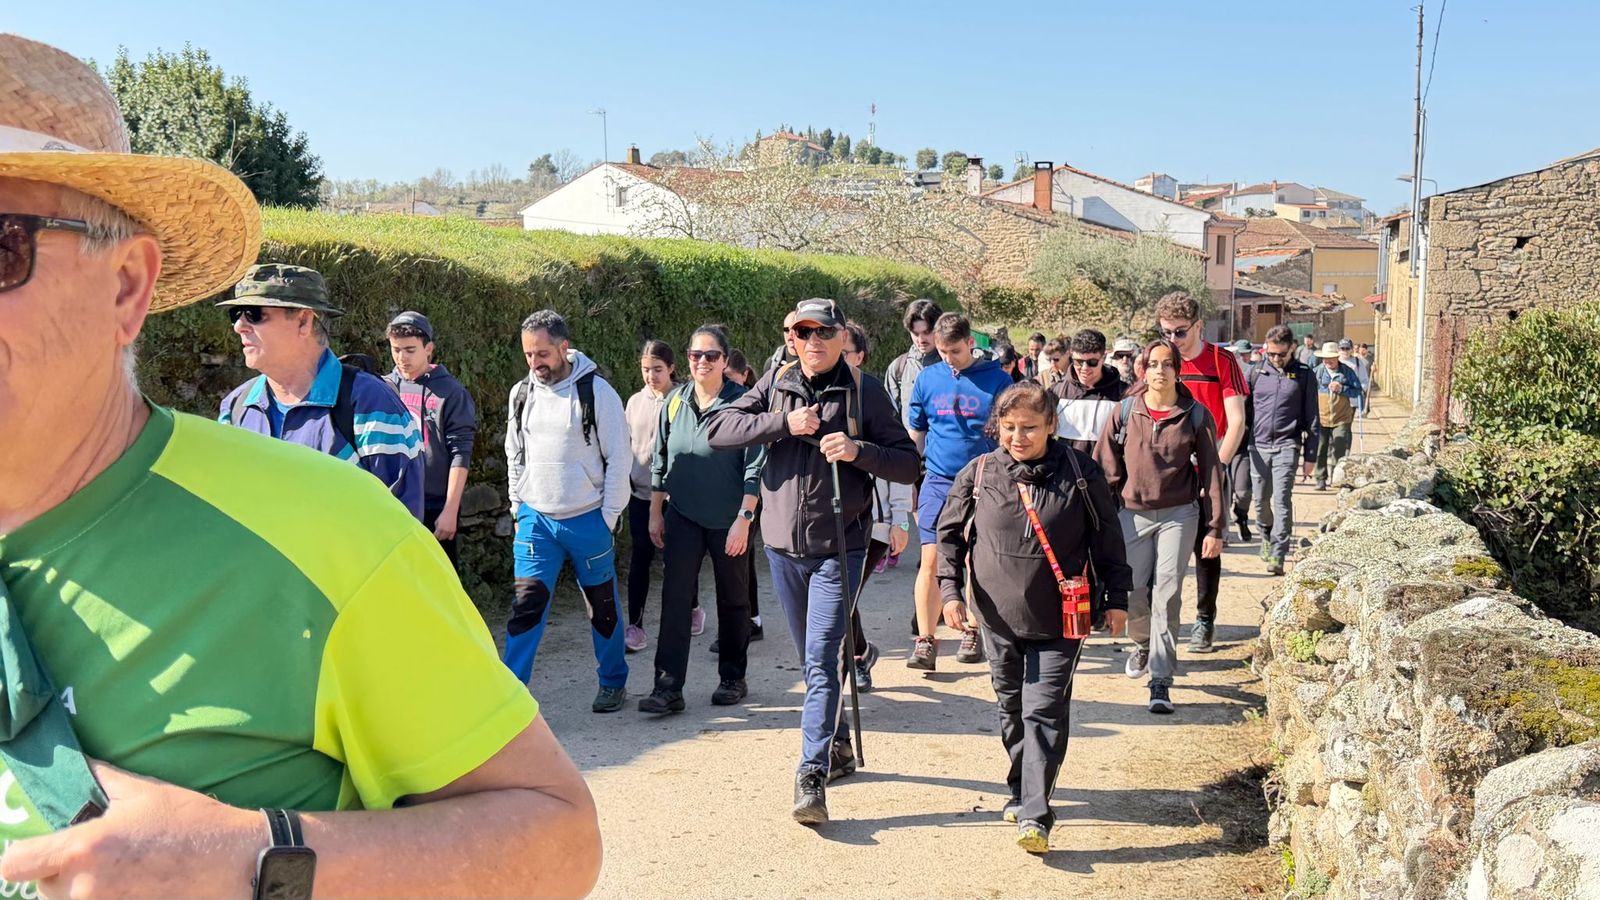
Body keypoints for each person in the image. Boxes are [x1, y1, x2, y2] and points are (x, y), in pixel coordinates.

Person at [0, 34, 599, 898]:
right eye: (239, 315)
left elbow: (558, 839)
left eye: (0, 247)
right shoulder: (242, 410)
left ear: (126, 287)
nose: (242, 329)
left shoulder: (336, 523)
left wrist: (252, 860)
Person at [706, 298, 920, 824]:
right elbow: (717, 430)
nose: (814, 341)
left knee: (823, 661)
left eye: (824, 331)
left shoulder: (864, 391)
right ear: (790, 337)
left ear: (842, 335)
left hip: (840, 548)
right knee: (813, 662)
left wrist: (858, 451)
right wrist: (782, 422)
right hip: (781, 547)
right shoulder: (775, 385)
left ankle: (811, 774)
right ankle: (839, 744)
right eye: (804, 332)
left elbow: (909, 464)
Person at [936, 383, 1132, 853]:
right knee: (1011, 708)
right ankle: (1021, 785)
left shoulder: (1081, 475)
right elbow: (948, 537)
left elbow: (1108, 540)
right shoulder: (980, 473)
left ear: (1051, 426)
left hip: (1061, 617)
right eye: (1008, 428)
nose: (1018, 437)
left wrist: (1118, 597)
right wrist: (949, 593)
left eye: (1029, 428)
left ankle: (1036, 813)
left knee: (1042, 709)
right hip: (996, 618)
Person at [219, 264, 425, 521]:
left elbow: (402, 529)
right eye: (236, 313)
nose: (239, 325)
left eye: (254, 313)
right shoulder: (235, 407)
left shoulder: (370, 404)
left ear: (304, 321)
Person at [504, 309, 632, 713]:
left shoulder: (598, 393)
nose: (534, 362)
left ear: (563, 347)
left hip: (588, 519)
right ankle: (510, 694)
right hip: (536, 521)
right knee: (525, 608)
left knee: (603, 610)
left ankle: (613, 681)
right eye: (528, 354)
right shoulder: (521, 393)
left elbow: (620, 459)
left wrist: (608, 518)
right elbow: (514, 452)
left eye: (542, 353)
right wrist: (518, 504)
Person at [1094, 339, 1225, 714]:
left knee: (1167, 591)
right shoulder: (1124, 412)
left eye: (1168, 364)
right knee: (1133, 591)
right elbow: (1105, 467)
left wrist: (1215, 527)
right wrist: (1101, 519)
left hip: (1179, 514)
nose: (1160, 371)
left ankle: (1160, 680)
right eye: (1153, 364)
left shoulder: (1195, 415)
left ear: (1177, 370)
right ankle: (1141, 644)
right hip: (1131, 514)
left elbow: (1213, 473)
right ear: (1142, 370)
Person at [640, 326, 765, 713]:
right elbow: (661, 460)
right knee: (675, 598)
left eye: (711, 355)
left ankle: (732, 677)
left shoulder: (743, 404)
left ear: (726, 361)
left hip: (730, 520)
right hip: (683, 516)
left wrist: (744, 518)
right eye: (695, 355)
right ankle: (668, 687)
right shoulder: (674, 401)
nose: (702, 362)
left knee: (733, 599)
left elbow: (755, 465)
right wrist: (655, 512)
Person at [906, 313, 1016, 671]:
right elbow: (917, 433)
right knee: (931, 559)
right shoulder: (927, 379)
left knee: (975, 560)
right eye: (942, 352)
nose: (948, 359)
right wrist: (911, 481)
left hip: (984, 480)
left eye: (954, 350)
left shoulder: (998, 380)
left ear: (971, 343)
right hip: (937, 481)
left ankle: (972, 629)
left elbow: (1008, 436)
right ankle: (926, 640)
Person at [1155, 291, 1248, 654]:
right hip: (1167, 471)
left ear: (1197, 326)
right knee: (1163, 551)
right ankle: (1160, 624)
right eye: (1166, 333)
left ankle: (1205, 621)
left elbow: (1236, 420)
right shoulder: (1160, 361)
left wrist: (1217, 468)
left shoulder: (1222, 361)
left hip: (1210, 466)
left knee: (1207, 548)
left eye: (1180, 332)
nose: (1173, 341)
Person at [844, 320, 913, 690]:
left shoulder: (872, 397)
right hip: (836, 519)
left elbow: (897, 463)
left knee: (845, 595)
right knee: (841, 596)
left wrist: (900, 520)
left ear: (860, 356)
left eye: (845, 353)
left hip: (876, 523)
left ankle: (857, 659)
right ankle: (859, 654)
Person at [384, 311, 478, 565]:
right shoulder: (383, 388)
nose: (402, 358)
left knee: (440, 585)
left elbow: (461, 452)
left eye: (410, 350)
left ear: (429, 349)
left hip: (434, 505)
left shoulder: (451, 393)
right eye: (396, 349)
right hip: (392, 504)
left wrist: (450, 510)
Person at [624, 339, 681, 653]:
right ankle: (635, 626)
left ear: (671, 368)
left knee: (677, 562)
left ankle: (690, 609)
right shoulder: (634, 402)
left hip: (677, 498)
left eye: (657, 369)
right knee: (640, 560)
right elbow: (624, 445)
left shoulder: (682, 400)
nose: (651, 375)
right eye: (646, 369)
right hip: (640, 496)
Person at [1248, 326, 1320, 575]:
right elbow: (1245, 412)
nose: (1276, 359)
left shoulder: (1304, 374)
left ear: (1292, 348)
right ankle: (1266, 536)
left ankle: (1278, 554)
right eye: (1271, 354)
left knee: (1281, 500)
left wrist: (1311, 456)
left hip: (1288, 445)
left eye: (1281, 354)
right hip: (1257, 446)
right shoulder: (1256, 372)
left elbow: (1312, 418)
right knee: (1260, 502)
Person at [1049, 328, 1128, 455]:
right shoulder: (1055, 393)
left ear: (1104, 357)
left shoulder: (1124, 394)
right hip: (1065, 472)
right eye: (1078, 362)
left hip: (1104, 472)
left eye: (1092, 362)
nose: (1084, 368)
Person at [1312, 341, 1364, 491]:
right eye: (1325, 359)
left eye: (1331, 359)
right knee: (1320, 448)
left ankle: (1336, 478)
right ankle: (1320, 479)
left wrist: (1342, 389)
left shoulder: (1347, 372)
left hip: (1341, 418)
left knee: (1339, 447)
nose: (1327, 362)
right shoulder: (1317, 372)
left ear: (1337, 358)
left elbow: (1357, 391)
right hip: (1321, 417)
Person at [1339, 338, 1371, 413]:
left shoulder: (1357, 362)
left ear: (1351, 349)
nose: (1345, 351)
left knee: (1347, 423)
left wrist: (1360, 390)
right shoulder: (1336, 361)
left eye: (1347, 348)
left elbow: (1364, 380)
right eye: (1343, 348)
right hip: (1338, 400)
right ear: (1339, 349)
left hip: (1353, 401)